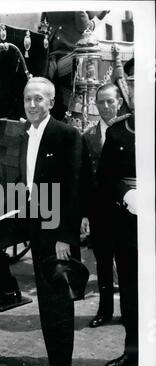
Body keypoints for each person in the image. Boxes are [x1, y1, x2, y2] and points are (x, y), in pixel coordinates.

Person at [0, 77, 83, 366]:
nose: (32, 105)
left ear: (51, 101)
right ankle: (3, 286)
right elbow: (22, 184)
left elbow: (74, 190)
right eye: (27, 99)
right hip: (26, 212)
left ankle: (60, 360)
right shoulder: (23, 134)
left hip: (52, 219)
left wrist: (64, 237)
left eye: (38, 99)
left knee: (53, 293)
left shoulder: (67, 135)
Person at [97, 58, 138, 366]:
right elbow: (106, 177)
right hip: (127, 223)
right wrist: (126, 193)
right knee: (131, 288)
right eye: (133, 86)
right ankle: (133, 350)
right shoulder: (117, 133)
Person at [81, 83, 125, 328]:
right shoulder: (88, 137)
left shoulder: (132, 133)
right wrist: (85, 214)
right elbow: (85, 179)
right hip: (100, 212)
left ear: (119, 102)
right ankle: (104, 311)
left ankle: (130, 312)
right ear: (95, 105)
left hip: (127, 212)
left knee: (128, 265)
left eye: (110, 102)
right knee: (104, 264)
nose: (106, 107)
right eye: (101, 102)